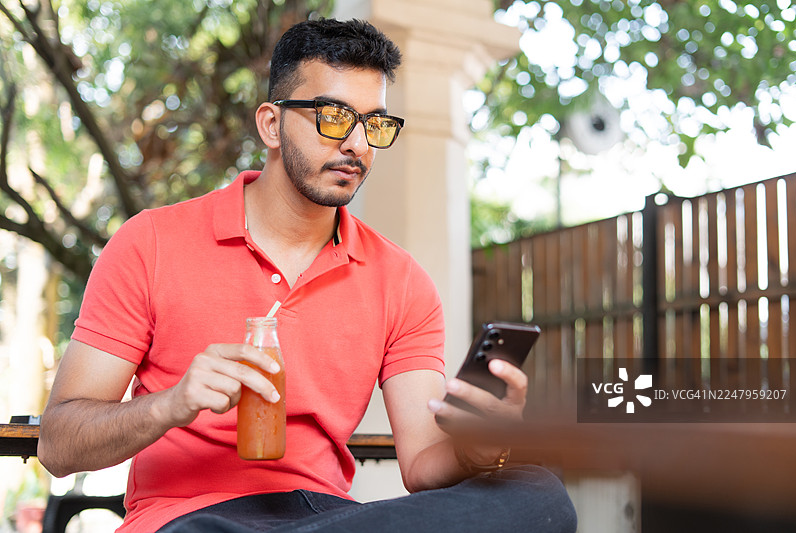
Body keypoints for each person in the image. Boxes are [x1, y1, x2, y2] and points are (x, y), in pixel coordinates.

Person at [38, 18, 576, 533]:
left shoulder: (402, 280)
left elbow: (423, 466)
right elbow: (58, 446)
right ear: (272, 124)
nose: (358, 145)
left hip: (324, 516)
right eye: (335, 117)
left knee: (540, 496)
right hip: (190, 518)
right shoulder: (150, 242)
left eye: (374, 124)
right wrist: (171, 404)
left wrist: (474, 450)